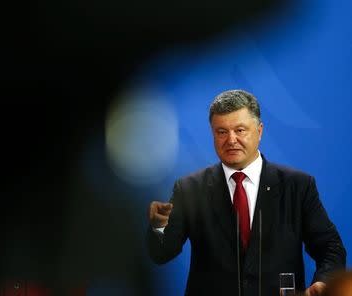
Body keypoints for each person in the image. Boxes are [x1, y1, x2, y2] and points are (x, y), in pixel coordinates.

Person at [147, 90, 346, 296]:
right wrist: (159, 226)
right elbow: (161, 254)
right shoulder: (189, 188)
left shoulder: (297, 186)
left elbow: (331, 248)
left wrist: (323, 282)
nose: (231, 140)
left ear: (259, 131)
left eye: (240, 130)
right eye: (221, 132)